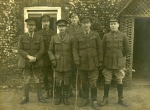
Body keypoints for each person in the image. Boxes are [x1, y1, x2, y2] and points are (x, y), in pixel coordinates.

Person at [73, 16, 103, 108]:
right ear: (81, 24)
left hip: (94, 62)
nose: (86, 25)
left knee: (93, 82)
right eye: (84, 23)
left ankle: (94, 100)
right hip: (82, 62)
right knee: (84, 82)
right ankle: (86, 99)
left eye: (87, 23)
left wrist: (100, 60)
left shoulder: (96, 34)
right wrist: (77, 60)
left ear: (90, 24)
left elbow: (100, 48)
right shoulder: (77, 36)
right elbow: (74, 49)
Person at [100, 18, 130, 107]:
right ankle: (105, 98)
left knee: (119, 80)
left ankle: (121, 99)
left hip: (119, 62)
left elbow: (126, 49)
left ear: (118, 25)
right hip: (108, 61)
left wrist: (119, 55)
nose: (113, 26)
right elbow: (103, 49)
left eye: (114, 24)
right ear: (110, 26)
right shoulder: (106, 36)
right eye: (111, 24)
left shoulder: (123, 35)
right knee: (107, 80)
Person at [18, 18, 46, 104]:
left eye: (32, 25)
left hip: (36, 62)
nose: (31, 27)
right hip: (26, 62)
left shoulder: (39, 37)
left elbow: (42, 49)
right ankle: (25, 97)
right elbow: (19, 49)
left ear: (35, 26)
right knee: (26, 79)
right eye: (29, 25)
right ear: (27, 26)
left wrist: (35, 58)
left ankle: (40, 97)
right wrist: (28, 56)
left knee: (38, 79)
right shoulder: (22, 37)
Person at [48, 19, 74, 105]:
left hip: (67, 62)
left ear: (66, 27)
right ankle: (59, 96)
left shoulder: (71, 38)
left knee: (67, 80)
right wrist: (53, 59)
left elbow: (74, 50)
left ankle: (65, 96)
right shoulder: (54, 38)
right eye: (60, 26)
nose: (61, 28)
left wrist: (74, 61)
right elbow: (50, 51)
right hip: (57, 63)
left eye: (63, 26)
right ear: (58, 27)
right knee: (58, 81)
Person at [37, 15, 56, 99]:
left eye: (47, 22)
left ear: (49, 23)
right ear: (42, 23)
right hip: (44, 58)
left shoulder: (53, 33)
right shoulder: (38, 33)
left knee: (53, 75)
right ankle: (47, 91)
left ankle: (53, 91)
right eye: (44, 22)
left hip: (52, 57)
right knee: (44, 76)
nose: (46, 23)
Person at [66, 12, 83, 97]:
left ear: (78, 19)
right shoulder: (67, 29)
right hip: (69, 53)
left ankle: (80, 90)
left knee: (79, 72)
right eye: (72, 18)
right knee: (69, 72)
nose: (74, 19)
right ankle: (69, 90)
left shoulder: (82, 28)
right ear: (70, 19)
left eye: (75, 17)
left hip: (79, 53)